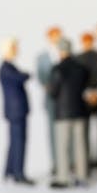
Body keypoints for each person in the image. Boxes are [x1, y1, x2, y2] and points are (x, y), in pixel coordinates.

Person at [48, 39, 90, 188]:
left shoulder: (57, 69)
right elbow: (86, 84)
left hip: (63, 112)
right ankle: (82, 177)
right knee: (81, 145)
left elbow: (53, 92)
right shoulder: (82, 68)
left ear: (60, 51)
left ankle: (63, 178)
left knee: (63, 146)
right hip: (80, 110)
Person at [0, 38, 35, 185]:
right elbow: (21, 77)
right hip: (16, 111)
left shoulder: (9, 67)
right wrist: (26, 74)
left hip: (16, 111)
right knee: (19, 142)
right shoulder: (6, 68)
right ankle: (18, 174)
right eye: (14, 48)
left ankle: (10, 170)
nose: (17, 50)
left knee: (14, 142)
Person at [77, 32, 97, 175]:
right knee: (85, 132)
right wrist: (89, 94)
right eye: (85, 42)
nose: (87, 44)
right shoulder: (77, 58)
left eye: (89, 41)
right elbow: (77, 80)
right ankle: (86, 162)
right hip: (85, 100)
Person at [36, 26, 63, 174]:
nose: (57, 39)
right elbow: (41, 77)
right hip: (51, 99)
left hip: (66, 99)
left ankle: (69, 162)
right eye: (54, 36)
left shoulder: (66, 53)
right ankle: (55, 163)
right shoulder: (42, 57)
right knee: (53, 132)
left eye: (59, 36)